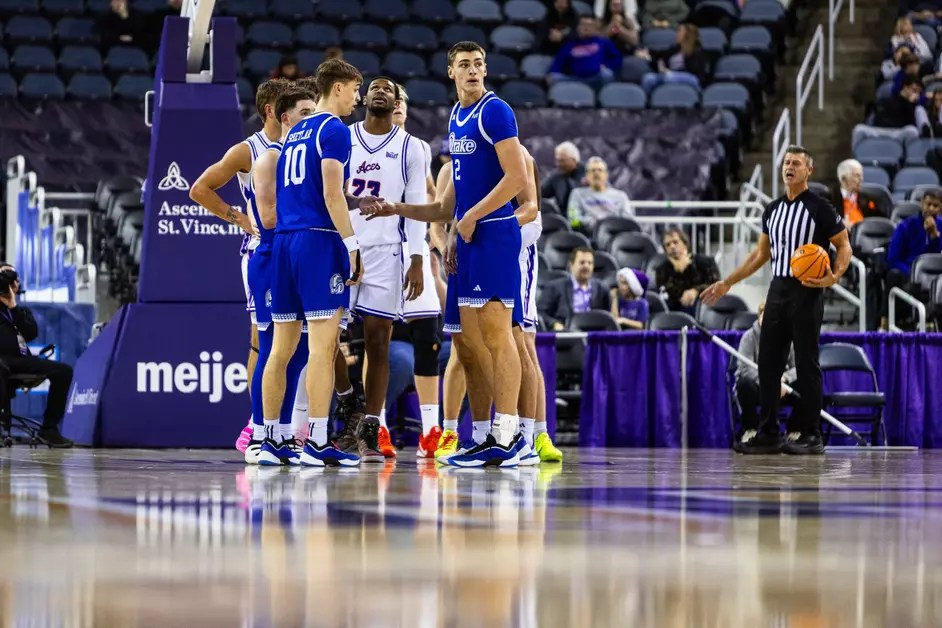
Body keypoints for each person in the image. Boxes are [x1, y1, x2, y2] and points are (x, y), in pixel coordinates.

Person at [702, 145, 853, 455]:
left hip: (808, 289)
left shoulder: (820, 207)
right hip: (778, 288)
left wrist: (834, 276)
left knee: (808, 363)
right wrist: (728, 282)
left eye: (796, 163)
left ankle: (809, 433)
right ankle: (768, 431)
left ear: (808, 170)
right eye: (786, 162)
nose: (789, 167)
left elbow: (844, 245)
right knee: (768, 363)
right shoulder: (771, 209)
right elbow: (761, 254)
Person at [262, 58, 367, 467]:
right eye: (354, 90)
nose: (356, 100)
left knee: (281, 349)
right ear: (338, 87)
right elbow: (332, 194)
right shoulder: (332, 129)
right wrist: (352, 244)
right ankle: (318, 441)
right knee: (323, 349)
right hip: (317, 242)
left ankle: (272, 437)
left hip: (285, 242)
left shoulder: (295, 131)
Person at [189, 79, 289, 455]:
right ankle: (256, 421)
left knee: (296, 339)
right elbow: (199, 188)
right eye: (288, 105)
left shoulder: (300, 144)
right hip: (261, 250)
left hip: (296, 248)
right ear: (270, 110)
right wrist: (237, 217)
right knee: (261, 340)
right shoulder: (249, 149)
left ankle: (288, 425)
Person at [345, 76, 428, 462]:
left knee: (379, 343)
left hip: (386, 252)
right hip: (343, 247)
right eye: (375, 87)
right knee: (324, 341)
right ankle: (341, 409)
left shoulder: (414, 147)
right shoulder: (341, 137)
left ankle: (370, 428)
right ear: (364, 97)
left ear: (397, 103)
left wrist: (416, 258)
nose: (382, 91)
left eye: (389, 89)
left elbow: (414, 206)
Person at [244, 88, 317, 465]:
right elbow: (268, 217)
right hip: (274, 255)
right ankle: (260, 433)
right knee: (275, 347)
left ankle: (285, 432)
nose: (311, 117)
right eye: (304, 112)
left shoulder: (307, 159)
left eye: (313, 111)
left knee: (301, 351)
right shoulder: (270, 157)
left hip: (298, 256)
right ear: (285, 118)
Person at [392, 84, 446, 459]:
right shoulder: (355, 142)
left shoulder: (418, 148)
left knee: (429, 336)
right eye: (390, 101)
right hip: (377, 253)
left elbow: (433, 197)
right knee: (375, 344)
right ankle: (373, 425)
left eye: (401, 102)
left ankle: (431, 430)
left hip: (416, 252)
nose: (396, 107)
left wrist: (437, 238)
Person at [0, 264, 73, 447]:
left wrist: (13, 307)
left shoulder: (21, 311)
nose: (8, 282)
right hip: (1, 362)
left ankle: (49, 429)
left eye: (12, 278)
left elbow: (30, 333)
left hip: (21, 361)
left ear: (16, 285)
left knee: (63, 371)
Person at [734, 300, 796, 450]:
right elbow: (745, 368)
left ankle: (795, 430)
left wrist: (785, 379)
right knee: (744, 385)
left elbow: (797, 368)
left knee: (805, 384)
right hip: (759, 386)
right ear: (759, 318)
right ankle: (751, 429)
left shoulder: (788, 337)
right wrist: (771, 383)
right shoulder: (749, 338)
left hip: (782, 388)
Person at [883, 188, 942, 325]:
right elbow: (893, 259)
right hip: (908, 272)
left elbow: (938, 256)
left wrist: (935, 236)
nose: (931, 209)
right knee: (893, 275)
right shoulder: (905, 226)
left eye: (936, 205)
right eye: (928, 204)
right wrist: (913, 274)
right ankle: (885, 322)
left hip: (936, 275)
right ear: (922, 203)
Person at [538, 247, 611, 330]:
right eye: (582, 262)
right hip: (566, 335)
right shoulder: (554, 287)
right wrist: (554, 324)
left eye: (590, 263)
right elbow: (540, 313)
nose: (586, 266)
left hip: (594, 334)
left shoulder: (602, 289)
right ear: (571, 265)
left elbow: (607, 316)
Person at [655, 228, 719, 314]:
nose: (672, 246)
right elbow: (666, 290)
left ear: (685, 244)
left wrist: (695, 291)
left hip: (702, 306)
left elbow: (715, 284)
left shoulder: (705, 262)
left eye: (675, 242)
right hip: (674, 309)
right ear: (665, 250)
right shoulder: (661, 269)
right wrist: (678, 271)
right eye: (668, 245)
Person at [547, 16, 623, 90]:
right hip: (574, 79)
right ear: (578, 27)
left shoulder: (603, 42)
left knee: (607, 75)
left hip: (596, 78)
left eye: (589, 25)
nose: (586, 28)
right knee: (554, 78)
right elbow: (558, 63)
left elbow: (616, 58)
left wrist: (607, 66)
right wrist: (554, 72)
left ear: (594, 28)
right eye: (583, 25)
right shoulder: (569, 45)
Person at [566, 156, 632, 233]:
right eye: (593, 170)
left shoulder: (621, 196)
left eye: (600, 170)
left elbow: (628, 222)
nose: (596, 173)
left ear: (606, 175)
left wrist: (609, 224)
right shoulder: (577, 194)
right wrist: (593, 222)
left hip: (615, 237)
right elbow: (573, 221)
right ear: (587, 175)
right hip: (587, 237)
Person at [639, 23, 707, 93]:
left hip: (690, 78)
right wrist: (647, 54)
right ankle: (649, 101)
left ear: (687, 34)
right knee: (648, 78)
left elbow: (694, 72)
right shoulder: (675, 49)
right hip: (669, 76)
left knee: (668, 77)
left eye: (679, 31)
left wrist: (671, 73)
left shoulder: (697, 51)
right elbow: (659, 55)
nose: (676, 33)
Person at [833, 159, 881, 226]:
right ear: (844, 179)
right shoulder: (830, 199)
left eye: (861, 175)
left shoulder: (868, 199)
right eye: (857, 176)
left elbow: (877, 222)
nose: (861, 179)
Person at [540, 141, 585, 211]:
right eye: (557, 160)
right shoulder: (555, 176)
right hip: (564, 217)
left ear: (573, 160)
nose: (558, 164)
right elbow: (540, 192)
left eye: (562, 161)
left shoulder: (590, 172)